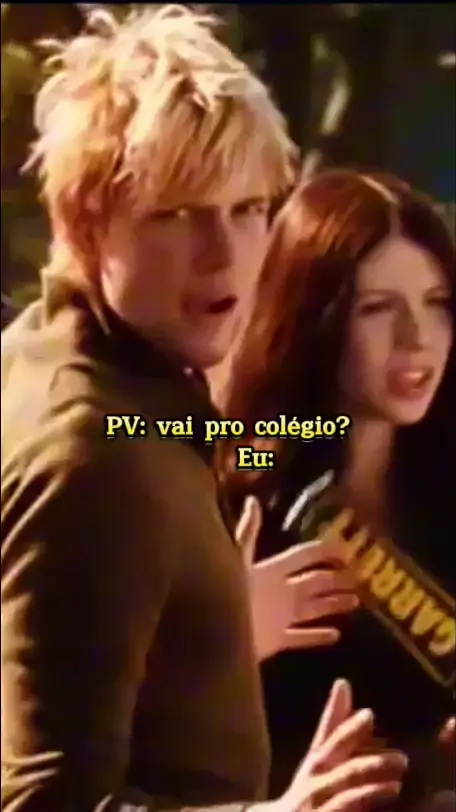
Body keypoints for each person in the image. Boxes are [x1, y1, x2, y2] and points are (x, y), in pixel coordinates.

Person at [0, 9, 408, 812]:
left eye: (249, 208)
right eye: (176, 214)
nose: (225, 255)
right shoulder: (93, 456)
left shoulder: (81, 363)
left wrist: (211, 630)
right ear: (85, 224)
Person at [219, 169, 455, 806]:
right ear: (314, 318)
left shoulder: (442, 489)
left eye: (437, 303)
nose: (417, 338)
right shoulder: (237, 492)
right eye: (377, 308)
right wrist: (218, 643)